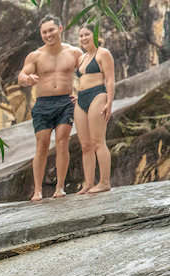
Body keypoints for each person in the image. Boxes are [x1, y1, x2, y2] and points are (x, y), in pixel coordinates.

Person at [18, 15, 83, 202]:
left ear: (60, 29)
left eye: (51, 30)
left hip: (65, 102)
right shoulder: (35, 56)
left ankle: (60, 187)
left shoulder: (74, 53)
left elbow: (89, 71)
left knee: (63, 141)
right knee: (42, 145)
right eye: (44, 32)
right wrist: (27, 79)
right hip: (43, 104)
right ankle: (37, 190)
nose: (48, 34)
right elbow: (22, 75)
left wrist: (82, 94)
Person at [74, 26, 115, 194]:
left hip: (98, 95)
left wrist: (109, 102)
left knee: (98, 141)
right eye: (81, 35)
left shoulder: (103, 53)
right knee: (85, 145)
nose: (84, 38)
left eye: (87, 34)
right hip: (81, 97)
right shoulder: (81, 58)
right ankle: (88, 183)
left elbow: (111, 80)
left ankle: (104, 182)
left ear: (95, 35)